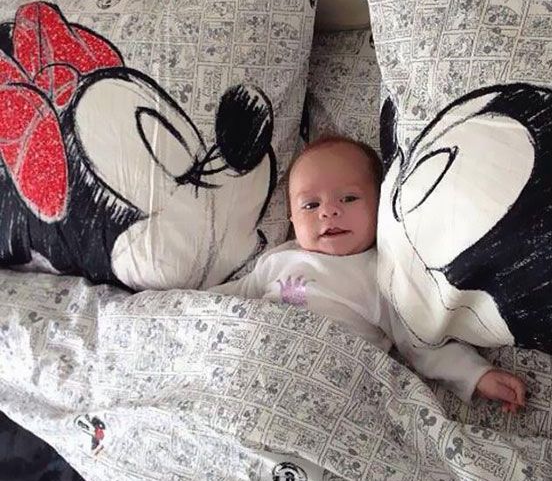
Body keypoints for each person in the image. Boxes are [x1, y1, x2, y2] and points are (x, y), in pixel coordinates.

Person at [213, 135, 526, 412]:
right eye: (310, 205)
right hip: (257, 363)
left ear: (380, 206)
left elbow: (420, 343)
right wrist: (186, 304)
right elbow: (232, 299)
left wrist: (475, 375)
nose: (328, 211)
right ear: (291, 218)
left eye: (349, 198)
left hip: (330, 382)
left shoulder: (384, 275)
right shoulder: (279, 259)